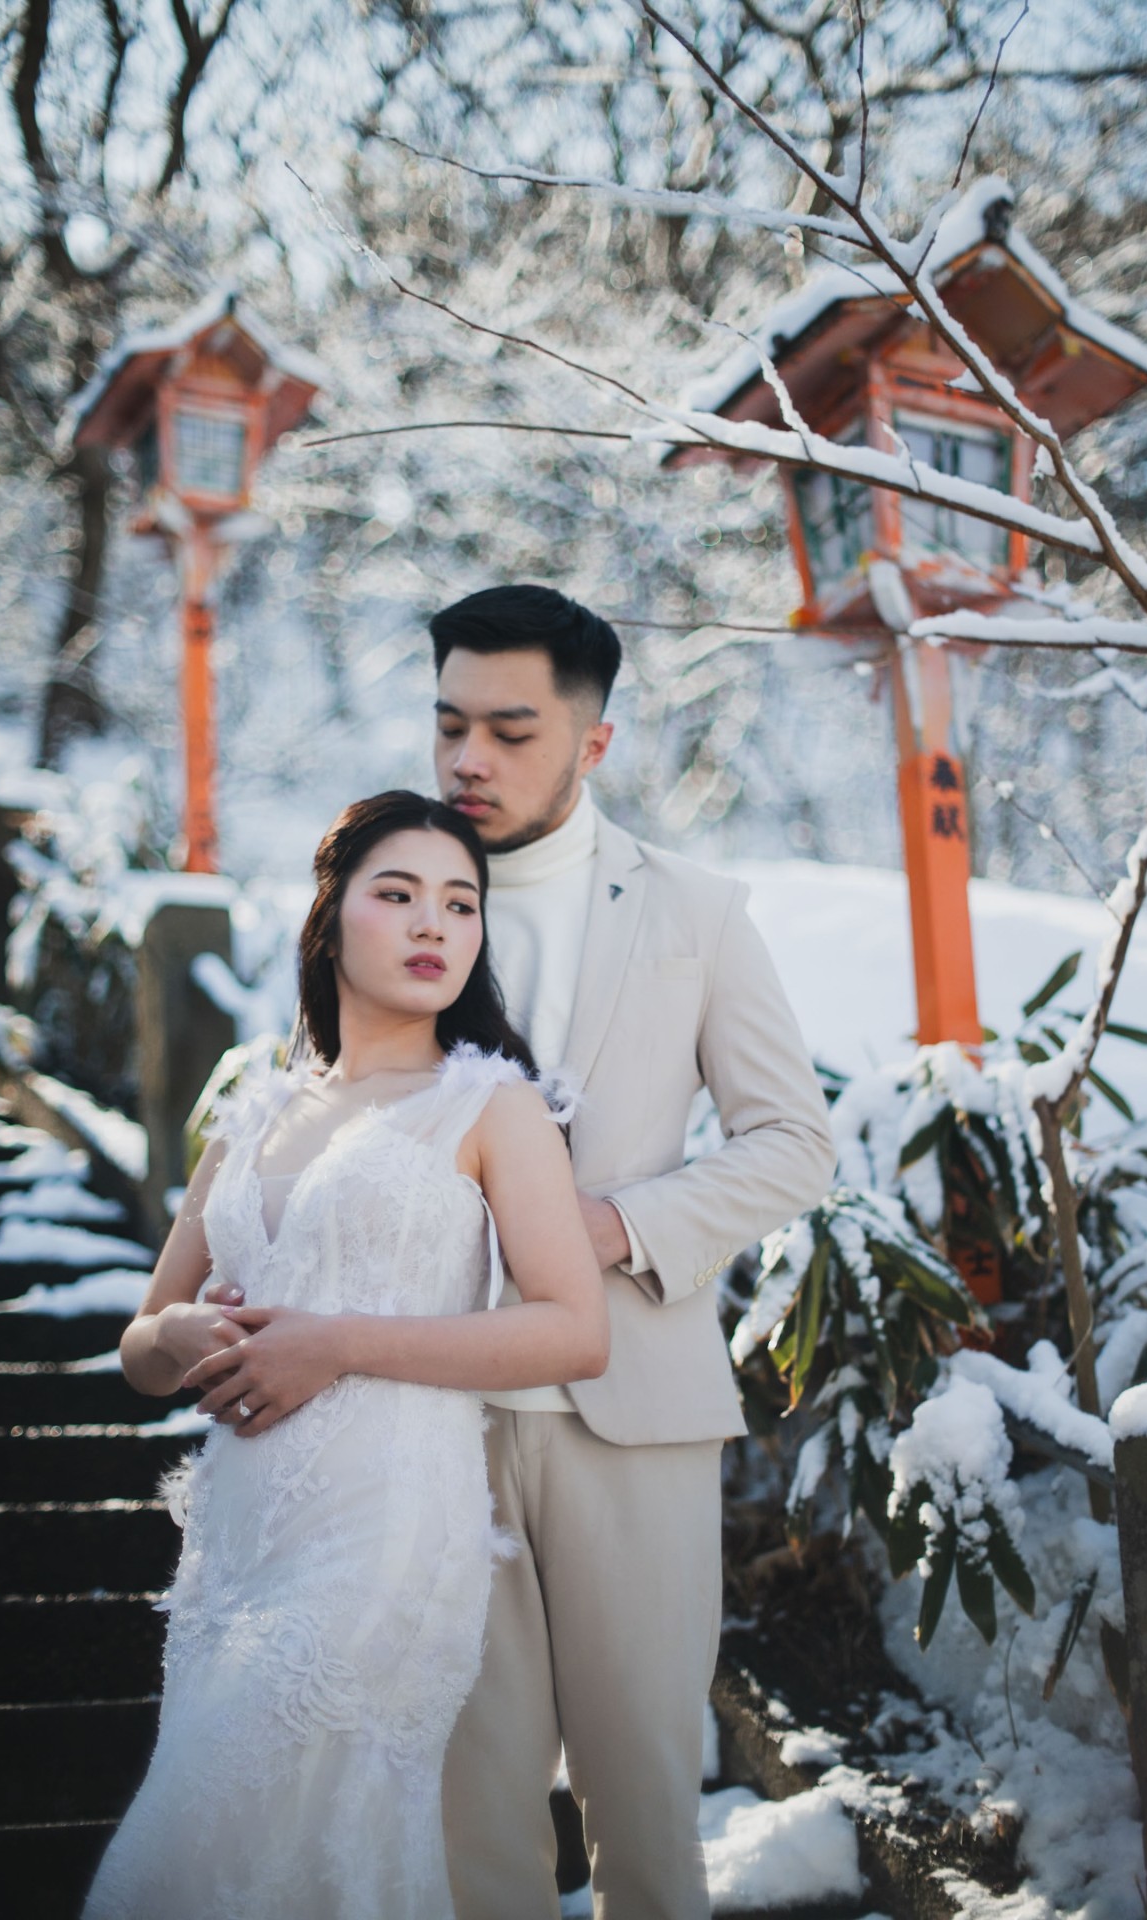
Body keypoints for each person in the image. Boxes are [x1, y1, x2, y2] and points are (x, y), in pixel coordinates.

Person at [82, 790, 608, 1920]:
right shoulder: (256, 1114)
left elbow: (576, 1329)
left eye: (460, 904)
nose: (434, 925)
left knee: (178, 1858)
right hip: (236, 1545)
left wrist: (340, 1344)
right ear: (329, 919)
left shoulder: (492, 1107)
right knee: (303, 1867)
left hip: (385, 1537)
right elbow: (140, 1343)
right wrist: (177, 1336)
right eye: (399, 894)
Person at [431, 585, 838, 1920]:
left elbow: (793, 1142)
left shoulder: (696, 911)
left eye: (509, 732)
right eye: (448, 726)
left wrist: (609, 1228)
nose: (469, 760)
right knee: (467, 1814)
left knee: (647, 1806)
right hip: (430, 1415)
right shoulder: (387, 894)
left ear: (592, 742)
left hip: (635, 1406)